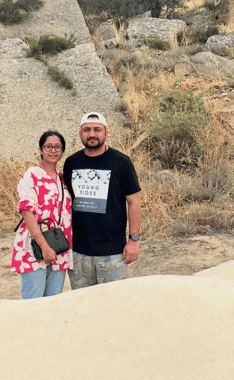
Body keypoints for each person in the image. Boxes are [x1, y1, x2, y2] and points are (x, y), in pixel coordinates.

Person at [63, 112, 141, 289]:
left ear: (106, 133)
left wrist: (133, 241)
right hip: (78, 253)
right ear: (80, 134)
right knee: (83, 306)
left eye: (97, 129)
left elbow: (134, 202)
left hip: (112, 253)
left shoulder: (121, 162)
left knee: (115, 307)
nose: (92, 134)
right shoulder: (71, 163)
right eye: (87, 130)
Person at [10, 131, 73, 298]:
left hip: (59, 246)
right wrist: (45, 247)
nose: (53, 150)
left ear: (62, 151)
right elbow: (26, 211)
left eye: (57, 147)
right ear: (41, 149)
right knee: (34, 303)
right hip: (35, 245)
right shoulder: (32, 175)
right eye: (48, 146)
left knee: (53, 302)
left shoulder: (63, 178)